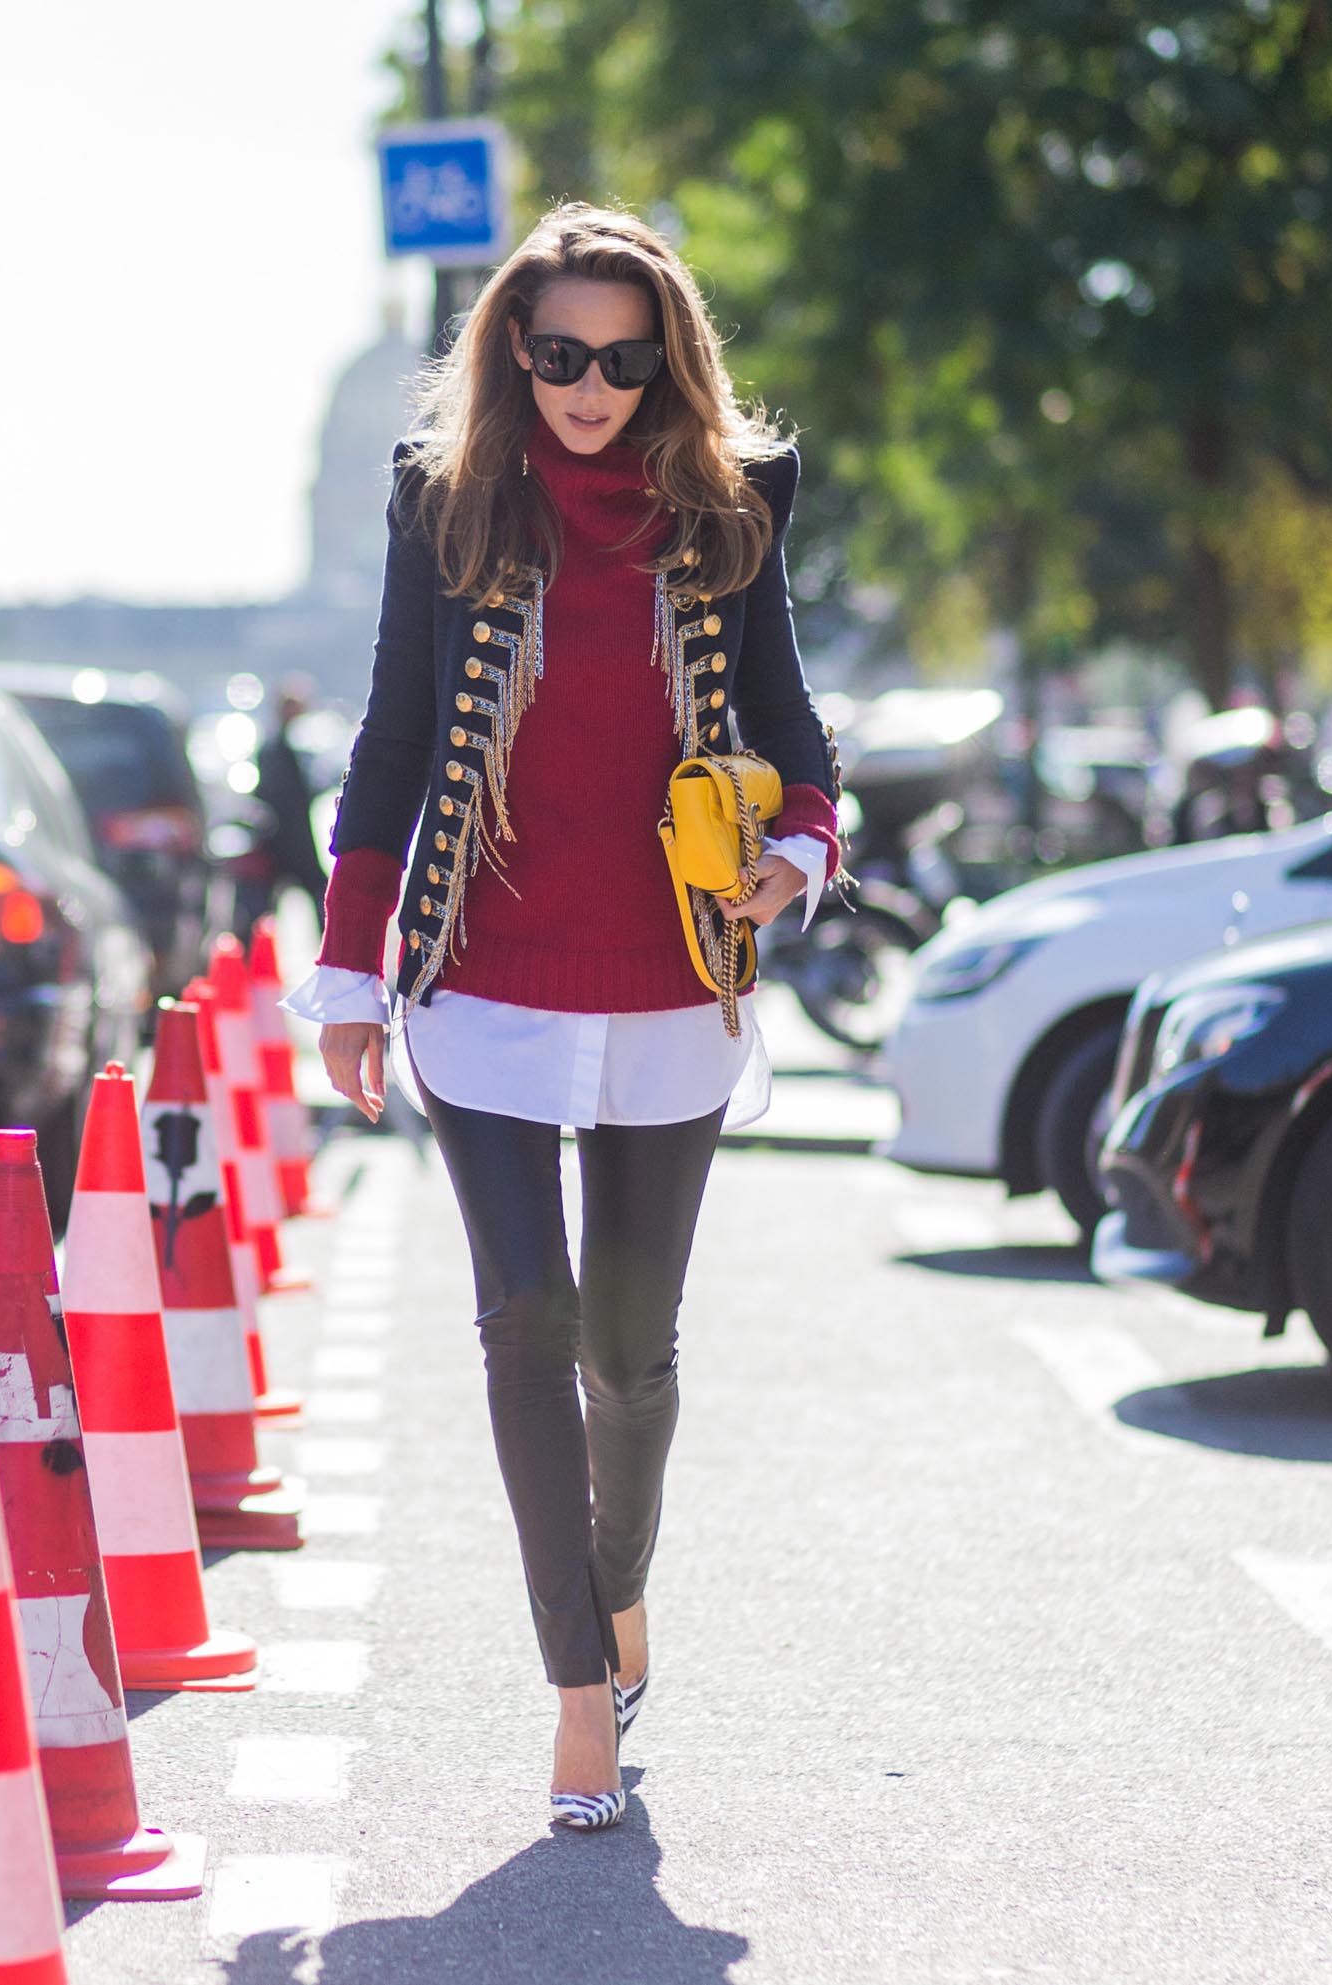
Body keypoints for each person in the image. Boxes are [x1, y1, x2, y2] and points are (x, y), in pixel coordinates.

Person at [283, 204, 844, 1833]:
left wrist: (800, 847)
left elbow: (797, 728)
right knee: (522, 1326)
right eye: (557, 358)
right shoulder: (446, 504)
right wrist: (346, 972)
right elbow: (392, 744)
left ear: (665, 361)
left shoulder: (734, 508)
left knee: (629, 1356)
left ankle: (622, 1575)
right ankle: (580, 1686)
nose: (590, 389)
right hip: (486, 988)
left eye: (621, 359)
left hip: (674, 987)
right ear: (511, 353)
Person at [247, 679, 330, 932]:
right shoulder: (277, 748)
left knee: (314, 896)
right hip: (286, 839)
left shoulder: (285, 746)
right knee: (317, 894)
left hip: (287, 837)